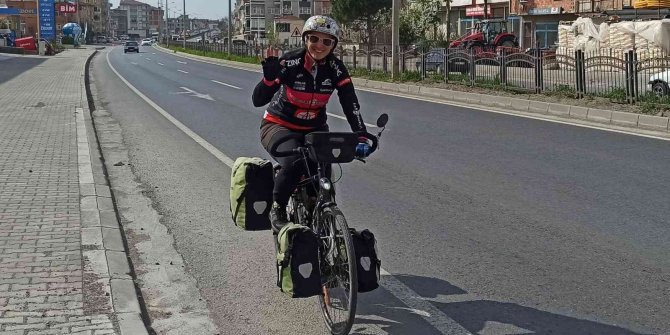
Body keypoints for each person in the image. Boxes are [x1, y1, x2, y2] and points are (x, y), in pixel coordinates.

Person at [252, 15, 372, 231]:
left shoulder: (336, 69)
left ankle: (321, 216)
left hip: (314, 129)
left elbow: (350, 103)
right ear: (305, 39)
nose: (320, 45)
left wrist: (361, 133)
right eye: (314, 39)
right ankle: (277, 208)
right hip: (279, 125)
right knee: (296, 161)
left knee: (323, 173)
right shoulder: (290, 63)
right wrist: (269, 81)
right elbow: (257, 100)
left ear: (333, 45)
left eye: (327, 41)